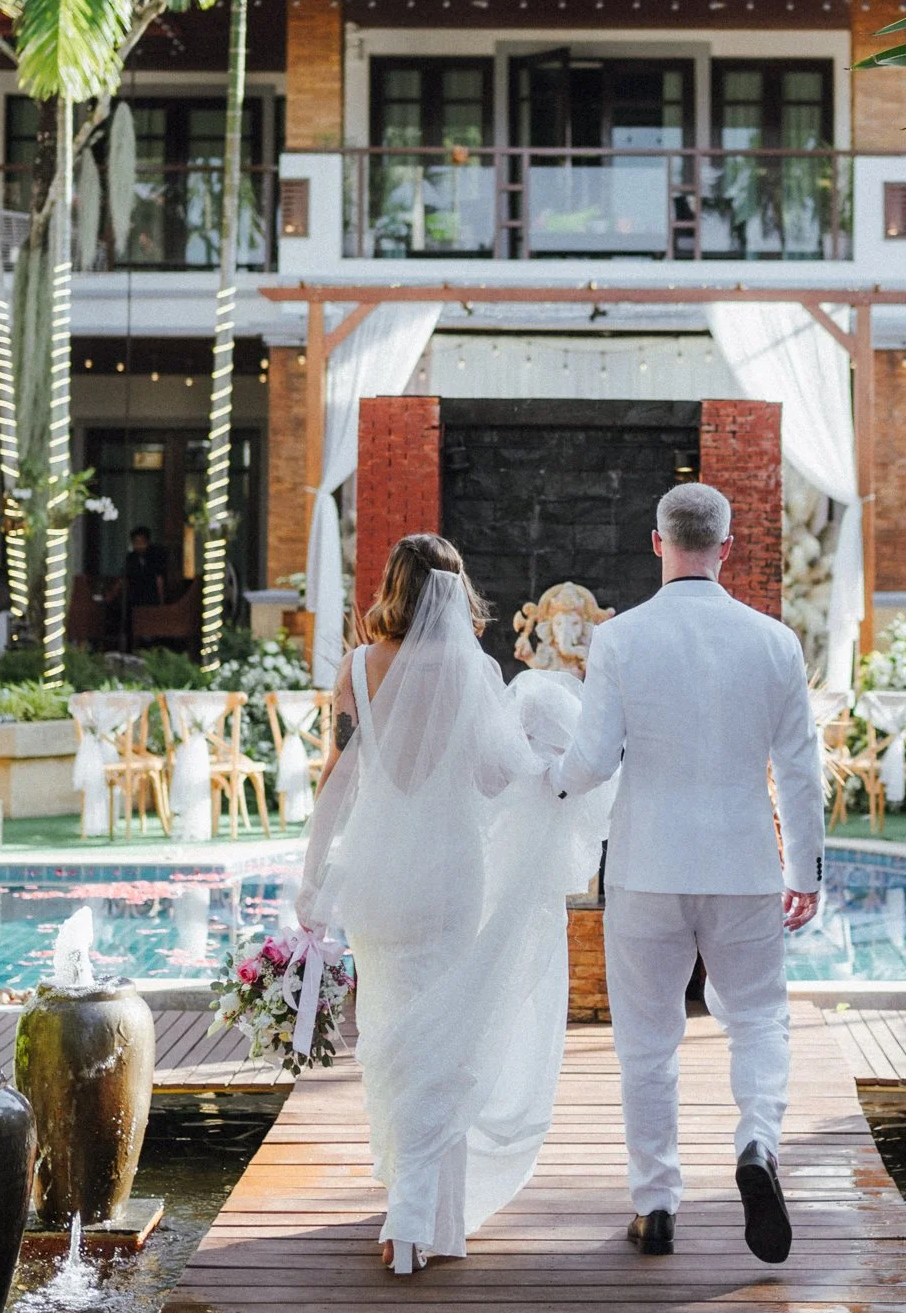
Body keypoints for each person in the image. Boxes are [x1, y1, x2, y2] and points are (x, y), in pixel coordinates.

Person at [294, 534, 597, 1275]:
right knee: (447, 1042)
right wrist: (550, 760)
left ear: (395, 588)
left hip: (374, 882)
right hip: (451, 881)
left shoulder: (357, 669)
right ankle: (424, 1218)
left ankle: (407, 1198)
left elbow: (336, 778)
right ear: (452, 592)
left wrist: (312, 880)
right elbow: (500, 779)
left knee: (394, 1034)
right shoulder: (474, 672)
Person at [550, 482, 824, 1266]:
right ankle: (756, 1144)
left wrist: (547, 781)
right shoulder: (774, 642)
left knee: (646, 1041)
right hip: (744, 865)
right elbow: (800, 770)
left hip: (646, 867)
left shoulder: (621, 640)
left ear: (656, 542)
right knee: (760, 1019)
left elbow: (593, 763)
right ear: (728, 547)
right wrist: (804, 868)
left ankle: (657, 1205)